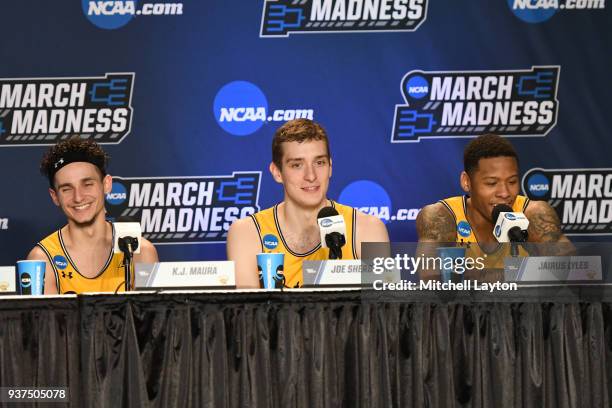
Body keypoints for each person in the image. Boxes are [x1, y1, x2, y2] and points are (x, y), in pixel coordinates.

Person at [227, 119, 389, 288]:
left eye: (319, 163)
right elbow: (248, 312)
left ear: (330, 167)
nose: (311, 176)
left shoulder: (367, 229)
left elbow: (384, 309)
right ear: (277, 173)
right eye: (297, 165)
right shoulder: (248, 232)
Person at [416, 134, 572, 280]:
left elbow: (574, 271)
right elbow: (430, 275)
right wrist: (521, 273)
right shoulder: (441, 216)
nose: (504, 193)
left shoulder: (533, 213)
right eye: (491, 183)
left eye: (511, 182)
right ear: (466, 182)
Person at [26, 138, 158, 294]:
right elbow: (43, 319)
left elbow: (150, 317)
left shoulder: (140, 251)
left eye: (87, 184)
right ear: (54, 196)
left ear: (107, 184)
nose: (78, 197)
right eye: (67, 189)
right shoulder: (41, 260)